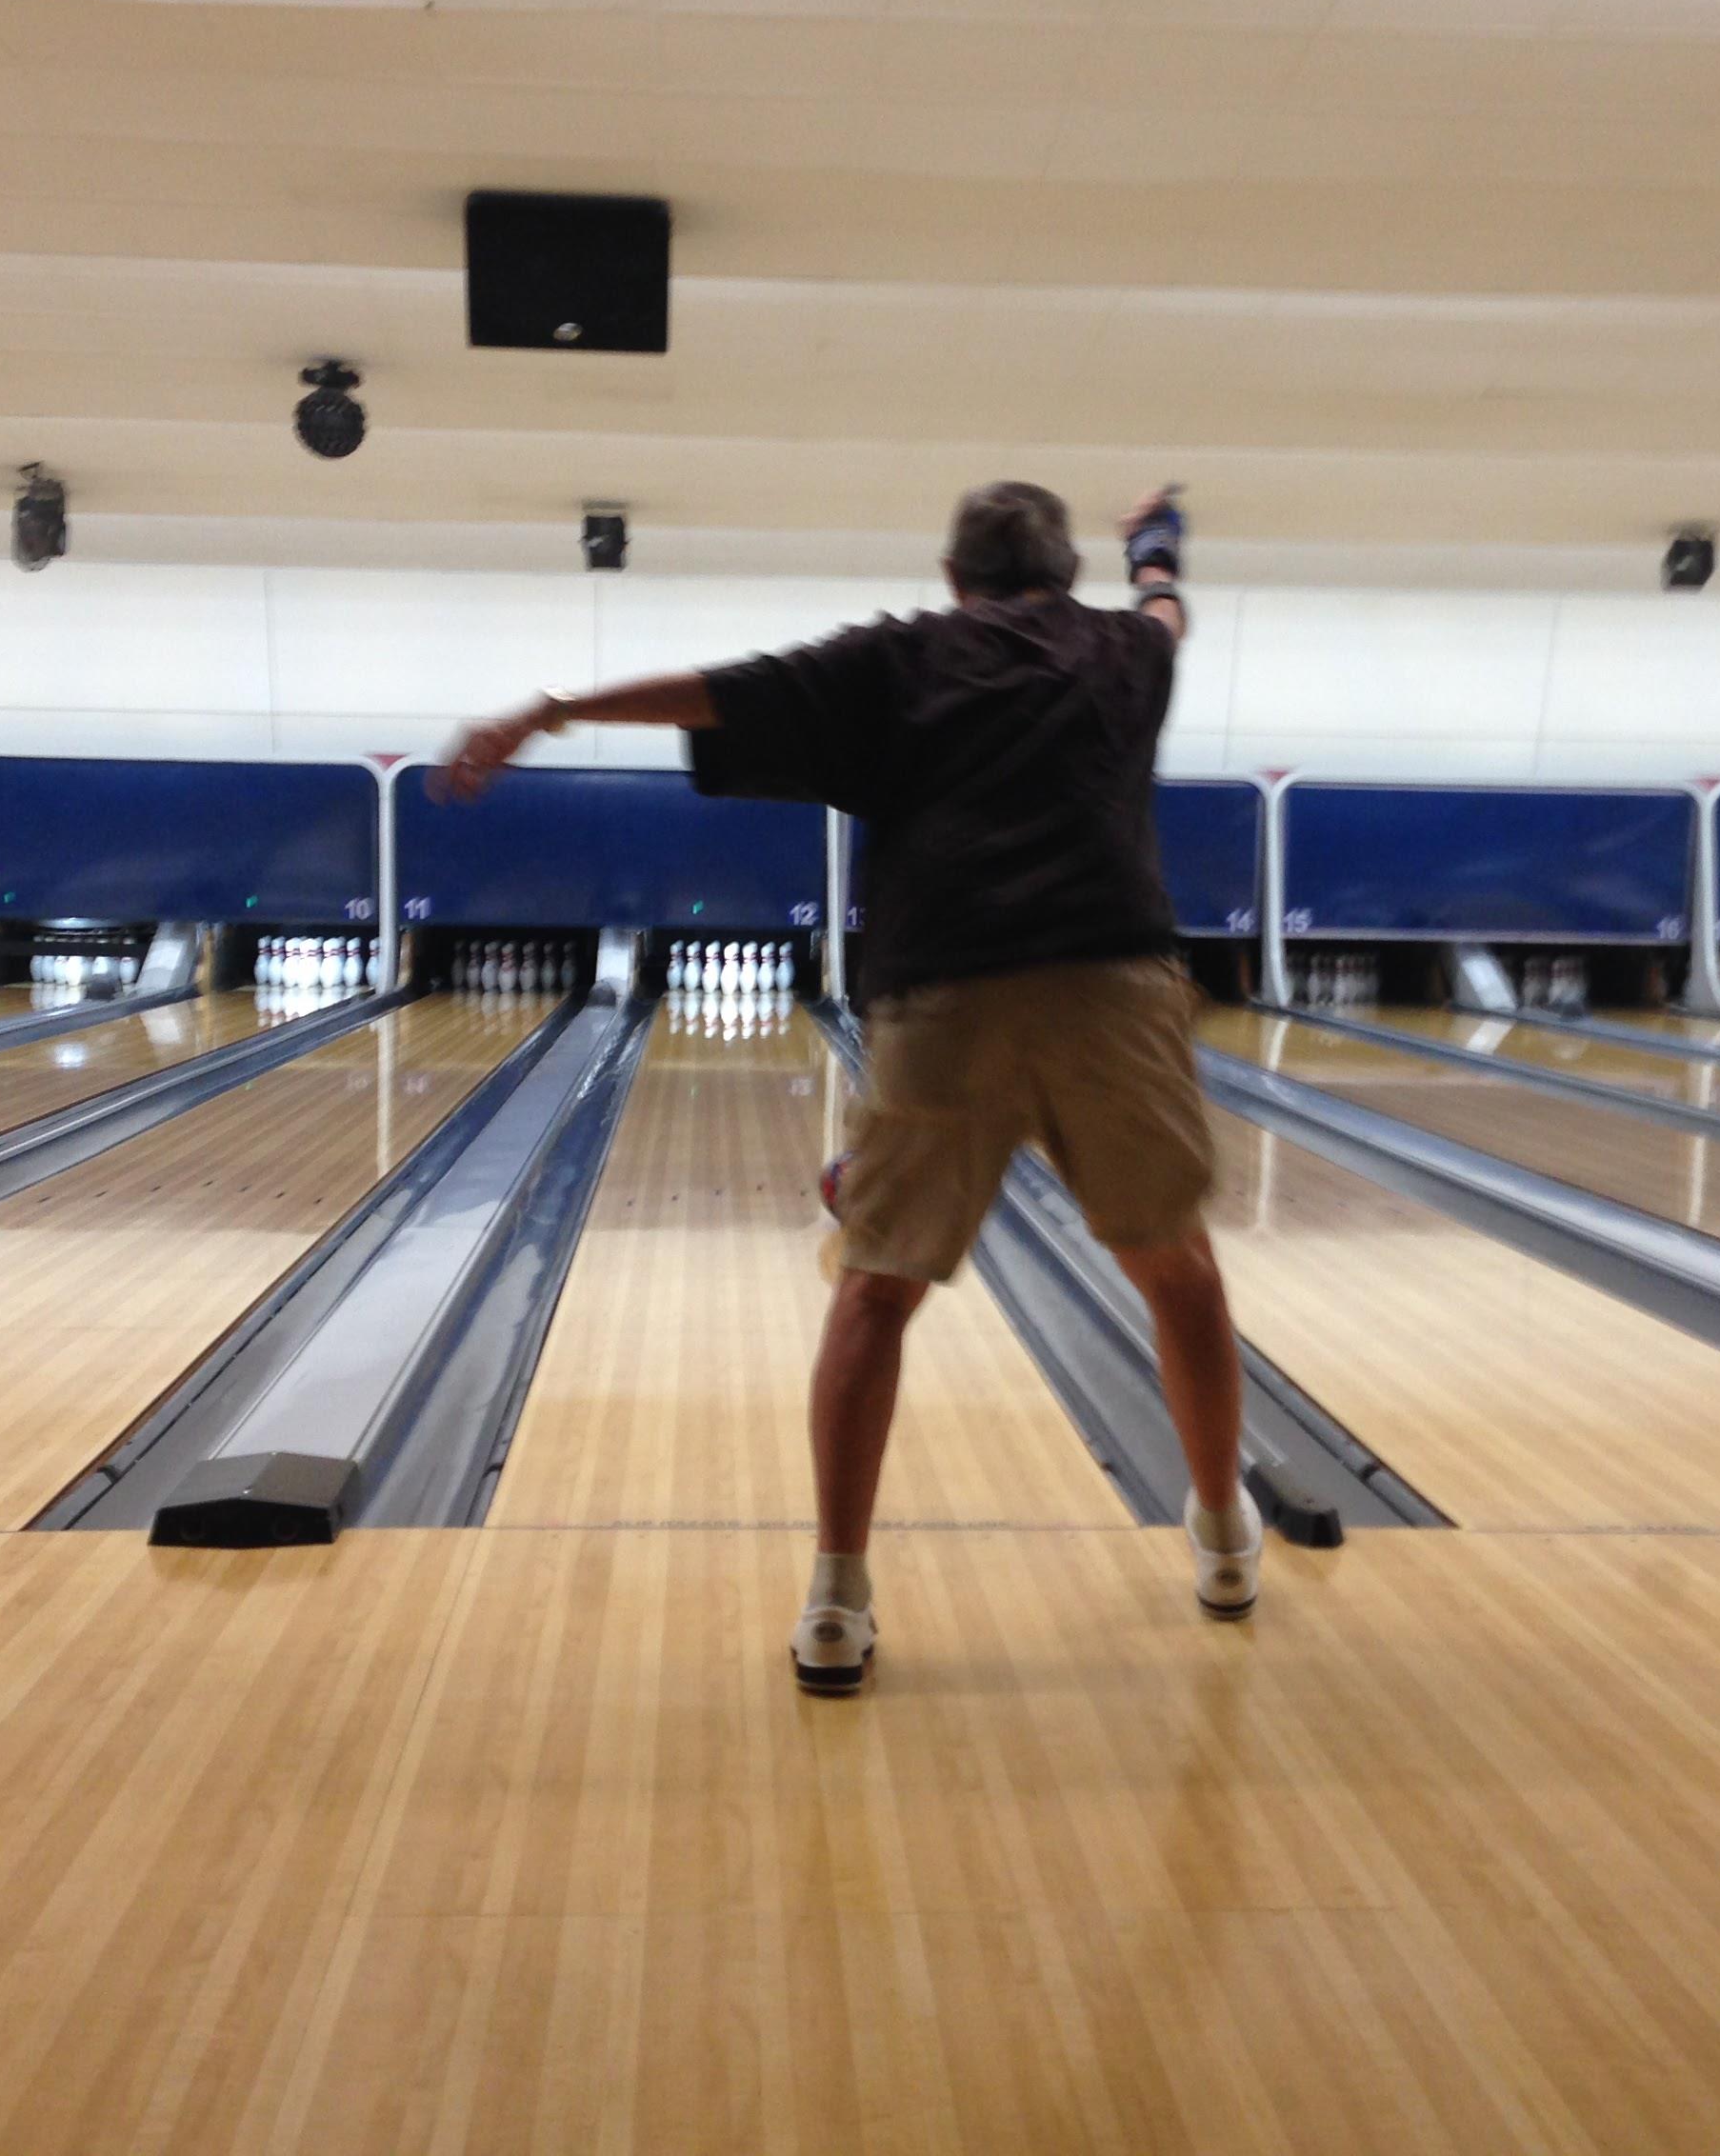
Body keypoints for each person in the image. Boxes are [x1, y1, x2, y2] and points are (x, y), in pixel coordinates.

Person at [443, 481, 1258, 1694]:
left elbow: (718, 693)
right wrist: (1157, 547)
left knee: (875, 1294)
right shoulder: (1129, 647)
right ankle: (1225, 1540)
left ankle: (837, 1595)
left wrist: (550, 711)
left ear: (951, 574)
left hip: (947, 999)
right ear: (1062, 570)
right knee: (1177, 1267)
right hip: (1114, 989)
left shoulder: (899, 658)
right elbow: (1171, 610)